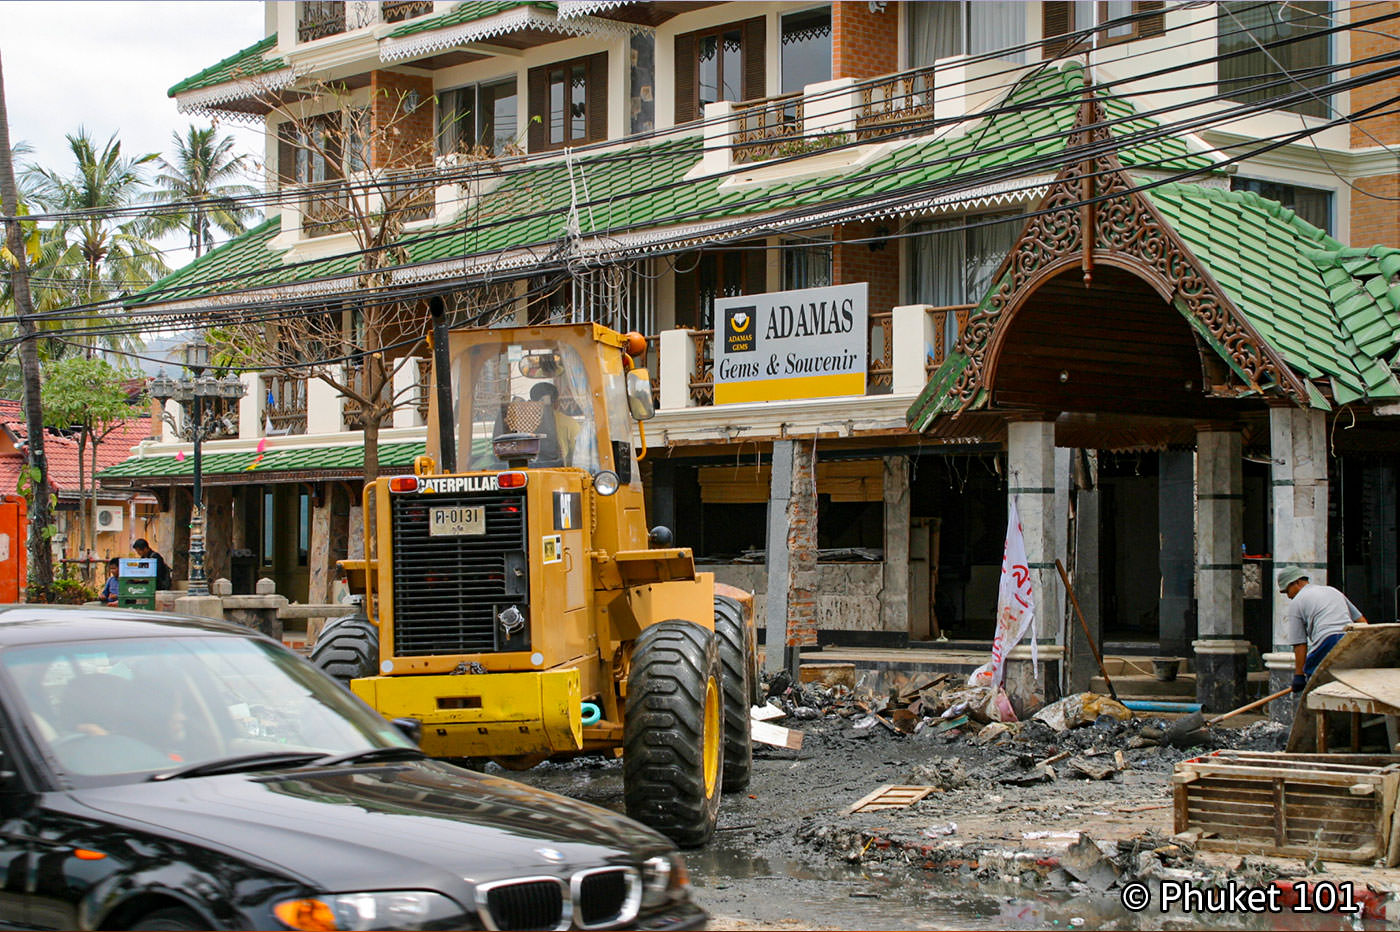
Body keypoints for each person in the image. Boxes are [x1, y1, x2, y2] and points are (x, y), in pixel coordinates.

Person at [1278, 566, 1369, 694]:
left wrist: (1299, 676)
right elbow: (1362, 621)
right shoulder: (1333, 591)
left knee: (1313, 678)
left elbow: (1300, 644)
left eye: (1287, 591)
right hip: (1350, 639)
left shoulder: (1297, 602)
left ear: (1296, 583)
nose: (1288, 596)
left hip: (1328, 641)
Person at [529, 381, 580, 466]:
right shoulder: (569, 423)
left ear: (532, 402)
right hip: (559, 470)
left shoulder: (524, 423)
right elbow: (577, 454)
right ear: (557, 402)